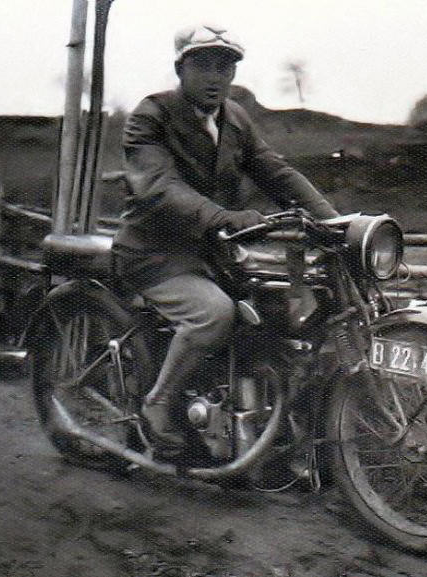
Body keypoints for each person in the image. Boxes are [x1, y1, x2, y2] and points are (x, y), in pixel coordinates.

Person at [112, 24, 338, 450]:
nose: (216, 77)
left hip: (213, 254)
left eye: (225, 66)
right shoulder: (151, 115)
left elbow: (275, 171)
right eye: (203, 66)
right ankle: (158, 403)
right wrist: (222, 217)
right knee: (212, 314)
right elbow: (158, 187)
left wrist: (335, 223)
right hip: (154, 254)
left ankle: (265, 425)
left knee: (276, 312)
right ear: (180, 68)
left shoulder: (235, 118)